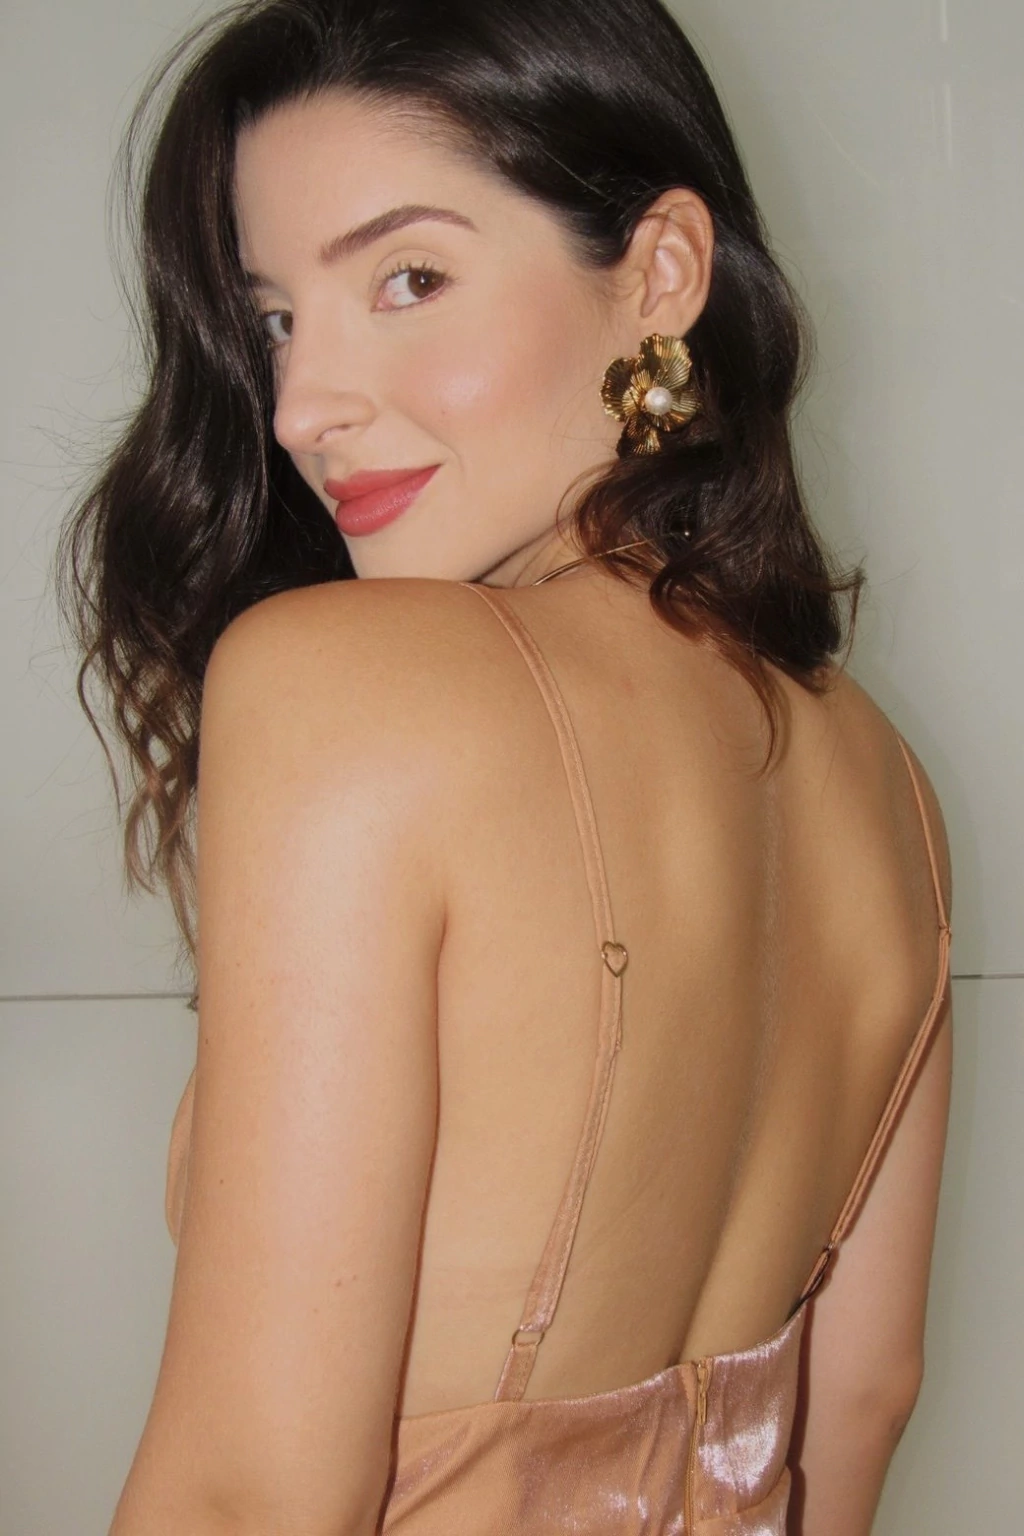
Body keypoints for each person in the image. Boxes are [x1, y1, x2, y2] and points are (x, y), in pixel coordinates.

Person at [57, 1, 953, 1532]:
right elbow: (859, 1407)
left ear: (659, 273)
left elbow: (251, 1494)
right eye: (275, 320)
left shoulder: (343, 684)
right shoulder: (885, 783)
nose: (302, 407)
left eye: (407, 280)